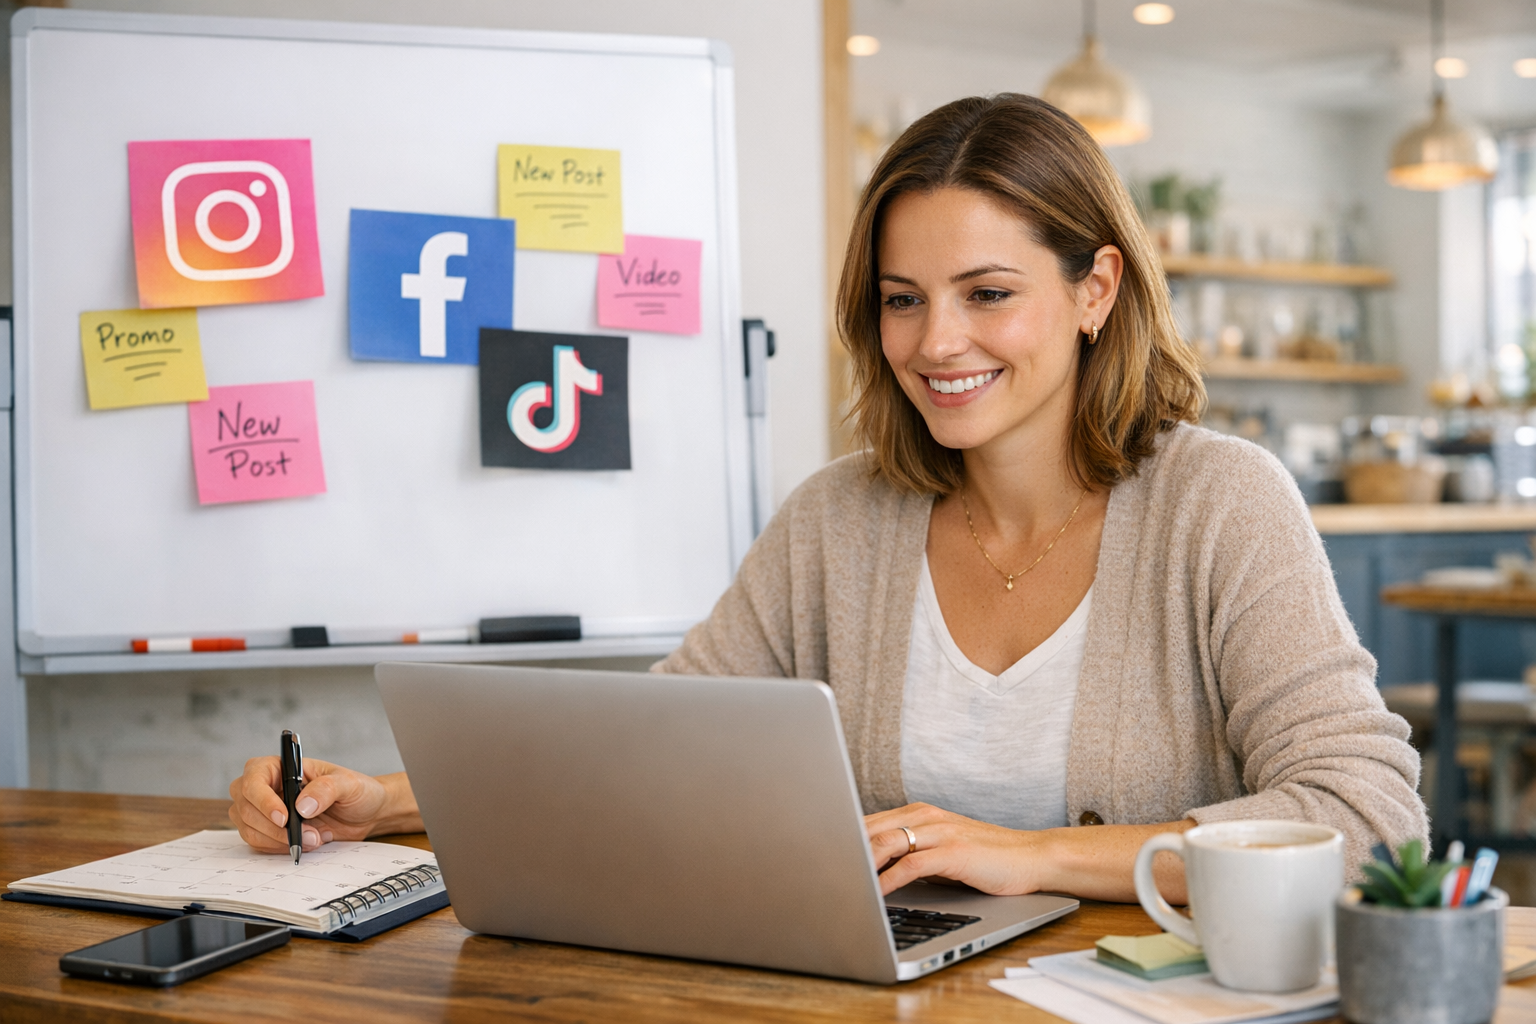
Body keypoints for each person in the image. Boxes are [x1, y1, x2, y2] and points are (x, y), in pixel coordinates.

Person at [229, 94, 1426, 903]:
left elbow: (1368, 816)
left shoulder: (1219, 504)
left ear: (1096, 287)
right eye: (903, 298)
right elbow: (658, 744)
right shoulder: (840, 519)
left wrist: (1036, 858)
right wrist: (380, 799)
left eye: (987, 291)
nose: (936, 340)